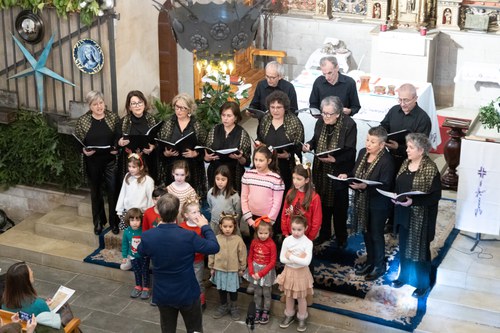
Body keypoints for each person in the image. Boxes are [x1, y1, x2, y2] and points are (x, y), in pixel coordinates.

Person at [137, 193, 219, 333]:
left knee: (168, 329)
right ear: (177, 214)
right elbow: (214, 247)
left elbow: (141, 251)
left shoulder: (148, 237)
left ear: (159, 212)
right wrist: (205, 227)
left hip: (163, 293)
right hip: (187, 293)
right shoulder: (188, 236)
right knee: (195, 330)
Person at [337, 126, 394, 281]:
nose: (368, 144)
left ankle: (379, 265)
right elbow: (355, 173)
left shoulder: (387, 160)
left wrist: (365, 186)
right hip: (362, 200)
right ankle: (370, 261)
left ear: (382, 145)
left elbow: (386, 184)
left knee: (376, 234)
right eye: (368, 140)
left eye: (373, 142)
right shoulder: (363, 153)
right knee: (366, 232)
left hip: (378, 203)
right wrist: (347, 175)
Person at [391, 133, 441, 298]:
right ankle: (403, 277)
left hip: (422, 217)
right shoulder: (406, 163)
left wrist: (414, 202)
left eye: (411, 147)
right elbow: (399, 184)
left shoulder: (430, 168)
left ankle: (422, 284)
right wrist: (396, 196)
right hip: (404, 212)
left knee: (420, 250)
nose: (407, 150)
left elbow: (434, 196)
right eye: (408, 146)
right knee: (404, 245)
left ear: (421, 150)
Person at [303, 96, 357, 247]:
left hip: (339, 170)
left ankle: (341, 237)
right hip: (321, 169)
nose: (325, 116)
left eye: (329, 114)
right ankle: (325, 233)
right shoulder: (320, 121)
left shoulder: (349, 124)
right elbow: (315, 139)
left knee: (339, 206)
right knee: (323, 204)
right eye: (323, 113)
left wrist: (335, 160)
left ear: (338, 114)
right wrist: (309, 145)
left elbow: (351, 151)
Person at [75, 90, 119, 235]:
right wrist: (83, 150)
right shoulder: (83, 121)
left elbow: (119, 137)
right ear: (90, 106)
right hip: (93, 162)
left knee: (113, 192)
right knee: (96, 193)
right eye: (95, 104)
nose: (99, 106)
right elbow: (78, 142)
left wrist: (116, 148)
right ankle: (98, 222)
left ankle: (114, 222)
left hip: (110, 161)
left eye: (101, 103)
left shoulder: (113, 117)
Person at [158, 93, 207, 198]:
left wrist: (195, 153)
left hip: (190, 167)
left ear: (189, 109)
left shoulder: (196, 125)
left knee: (188, 199)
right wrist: (166, 153)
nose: (179, 111)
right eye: (177, 107)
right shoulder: (168, 123)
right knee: (171, 199)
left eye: (183, 108)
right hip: (172, 167)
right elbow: (160, 146)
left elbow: (204, 147)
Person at [380, 83, 431, 173]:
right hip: (389, 157)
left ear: (415, 98)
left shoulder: (423, 119)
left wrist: (398, 147)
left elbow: (420, 147)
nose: (402, 104)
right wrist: (380, 135)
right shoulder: (394, 110)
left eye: (406, 100)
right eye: (400, 100)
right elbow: (384, 126)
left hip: (411, 162)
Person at [276, 215, 314, 332]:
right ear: (290, 228)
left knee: (302, 297)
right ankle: (289, 314)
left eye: (299, 229)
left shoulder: (308, 243)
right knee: (289, 295)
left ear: (305, 228)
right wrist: (298, 258)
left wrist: (291, 256)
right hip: (289, 271)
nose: (296, 232)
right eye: (293, 229)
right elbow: (282, 259)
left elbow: (306, 262)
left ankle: (302, 317)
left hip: (302, 273)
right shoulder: (287, 240)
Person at [204, 101, 251, 192]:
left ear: (236, 117)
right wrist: (207, 158)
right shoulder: (215, 130)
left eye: (229, 116)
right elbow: (206, 154)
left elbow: (247, 162)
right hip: (215, 172)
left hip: (233, 174)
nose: (225, 118)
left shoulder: (242, 133)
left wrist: (240, 157)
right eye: (223, 115)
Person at [241, 145, 285, 240]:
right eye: (255, 159)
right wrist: (250, 220)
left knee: (268, 245)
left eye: (261, 160)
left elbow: (277, 204)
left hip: (268, 219)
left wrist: (269, 221)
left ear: (269, 161)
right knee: (255, 243)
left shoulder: (276, 179)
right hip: (252, 218)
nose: (257, 163)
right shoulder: (247, 175)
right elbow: (244, 198)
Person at [209, 214, 247, 321]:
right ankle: (223, 306)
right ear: (220, 226)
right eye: (225, 226)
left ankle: (234, 307)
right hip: (219, 269)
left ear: (234, 226)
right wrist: (211, 266)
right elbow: (211, 253)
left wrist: (242, 268)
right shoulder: (216, 238)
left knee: (233, 290)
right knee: (221, 289)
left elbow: (242, 254)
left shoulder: (238, 240)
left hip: (233, 270)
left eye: (230, 226)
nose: (227, 229)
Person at [117, 90, 159, 183]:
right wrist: (120, 142)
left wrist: (153, 146)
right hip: (129, 163)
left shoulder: (153, 120)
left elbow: (158, 140)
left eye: (140, 102)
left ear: (144, 104)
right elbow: (116, 141)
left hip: (148, 161)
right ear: (129, 107)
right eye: (134, 103)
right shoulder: (123, 122)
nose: (138, 106)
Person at [242, 219, 277, 325]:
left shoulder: (271, 244)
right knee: (257, 292)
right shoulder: (254, 242)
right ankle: (257, 310)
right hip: (255, 270)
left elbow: (272, 262)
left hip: (266, 271)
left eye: (266, 233)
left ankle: (266, 311)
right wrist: (252, 272)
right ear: (256, 232)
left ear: (270, 233)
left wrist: (261, 273)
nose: (263, 235)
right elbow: (250, 257)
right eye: (260, 233)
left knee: (266, 293)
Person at [179, 196, 207, 310]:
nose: (197, 214)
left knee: (198, 281)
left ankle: (201, 301)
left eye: (198, 211)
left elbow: (206, 243)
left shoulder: (202, 227)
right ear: (186, 215)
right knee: (185, 280)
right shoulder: (182, 227)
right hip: (185, 261)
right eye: (194, 212)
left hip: (198, 260)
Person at [281, 164, 322, 241]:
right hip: (290, 234)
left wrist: (309, 238)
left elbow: (316, 221)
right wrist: (285, 232)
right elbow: (284, 213)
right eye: (294, 178)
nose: (295, 181)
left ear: (307, 180)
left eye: (299, 179)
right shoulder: (290, 193)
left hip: (305, 237)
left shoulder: (315, 197)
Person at [116, 153, 154, 229]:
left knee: (139, 235)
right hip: (127, 212)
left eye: (134, 167)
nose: (131, 169)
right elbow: (122, 193)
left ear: (141, 167)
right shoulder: (127, 176)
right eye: (129, 166)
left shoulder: (148, 180)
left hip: (140, 214)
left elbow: (150, 198)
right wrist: (119, 210)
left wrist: (149, 214)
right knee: (128, 234)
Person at [120, 208, 151, 300]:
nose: (135, 222)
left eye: (137, 219)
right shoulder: (127, 232)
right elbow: (125, 244)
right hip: (133, 256)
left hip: (144, 256)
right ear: (128, 221)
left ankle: (146, 287)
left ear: (141, 220)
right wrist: (124, 256)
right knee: (137, 271)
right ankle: (138, 286)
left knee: (145, 271)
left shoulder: (144, 230)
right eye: (132, 220)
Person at [207, 165, 241, 234]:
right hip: (215, 223)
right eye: (217, 179)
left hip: (228, 225)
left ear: (228, 180)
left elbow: (238, 211)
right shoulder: (211, 192)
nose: (220, 182)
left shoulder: (234, 195)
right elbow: (210, 205)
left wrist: (233, 223)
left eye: (223, 179)